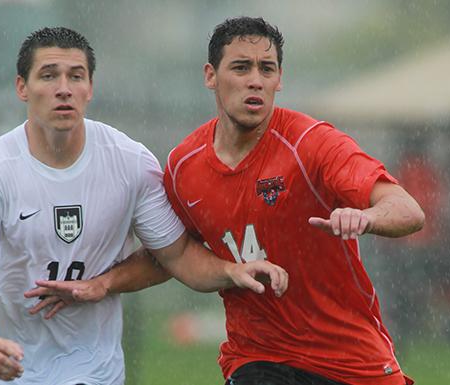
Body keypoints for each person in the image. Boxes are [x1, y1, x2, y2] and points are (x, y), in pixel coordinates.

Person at [0, 27, 288, 385]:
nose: (64, 88)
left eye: (76, 76)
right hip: (2, 372)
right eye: (49, 75)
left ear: (90, 88)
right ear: (22, 87)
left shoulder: (129, 163)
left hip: (92, 372)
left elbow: (174, 256)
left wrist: (229, 271)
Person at [162, 17, 425, 385]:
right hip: (257, 356)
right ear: (210, 75)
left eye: (266, 69)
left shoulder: (310, 143)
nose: (255, 80)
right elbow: (172, 253)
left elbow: (408, 210)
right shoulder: (183, 166)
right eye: (241, 67)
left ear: (278, 79)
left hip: (349, 358)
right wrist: (100, 284)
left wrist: (367, 217)